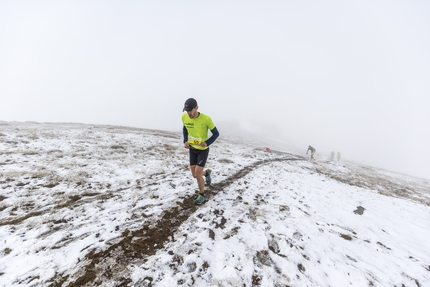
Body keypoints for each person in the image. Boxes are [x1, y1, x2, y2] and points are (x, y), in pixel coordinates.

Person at [182, 98, 220, 204]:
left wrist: (207, 142)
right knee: (194, 175)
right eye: (187, 111)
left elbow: (216, 134)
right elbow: (185, 128)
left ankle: (202, 194)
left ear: (196, 108)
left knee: (197, 174)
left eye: (190, 110)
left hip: (203, 150)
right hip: (192, 149)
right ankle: (206, 173)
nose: (189, 113)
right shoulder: (184, 116)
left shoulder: (206, 119)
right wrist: (185, 140)